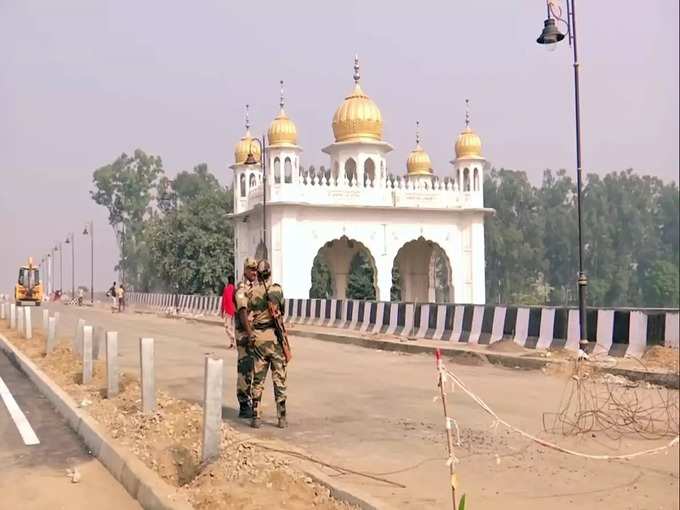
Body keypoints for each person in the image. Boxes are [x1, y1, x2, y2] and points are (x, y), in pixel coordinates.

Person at [244, 259, 288, 429]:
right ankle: (281, 417)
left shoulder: (253, 292)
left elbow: (249, 311)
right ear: (270, 273)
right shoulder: (277, 289)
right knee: (279, 378)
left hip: (260, 338)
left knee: (258, 378)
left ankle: (256, 416)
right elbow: (282, 310)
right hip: (276, 338)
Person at [233, 258, 258, 418]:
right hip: (244, 334)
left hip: (250, 333)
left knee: (250, 368)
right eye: (251, 270)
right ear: (245, 270)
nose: (254, 273)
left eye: (255, 270)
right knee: (244, 369)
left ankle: (248, 401)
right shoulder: (242, 289)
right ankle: (243, 404)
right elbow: (243, 312)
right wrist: (249, 333)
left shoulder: (252, 288)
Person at [223, 276, 236, 347]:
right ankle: (232, 343)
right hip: (234, 310)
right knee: (232, 327)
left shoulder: (226, 288)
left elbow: (224, 301)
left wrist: (222, 311)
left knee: (227, 327)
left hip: (228, 310)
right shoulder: (234, 289)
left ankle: (233, 337)